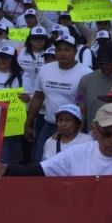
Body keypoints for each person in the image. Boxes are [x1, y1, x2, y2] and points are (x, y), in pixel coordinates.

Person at [0, 103, 112, 180]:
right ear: (95, 130)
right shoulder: (78, 153)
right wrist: (6, 168)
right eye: (107, 133)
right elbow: (39, 170)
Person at [24, 35, 92, 163]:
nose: (62, 53)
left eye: (67, 50)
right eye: (59, 50)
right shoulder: (45, 70)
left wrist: (77, 131)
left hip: (74, 129)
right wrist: (28, 123)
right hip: (49, 125)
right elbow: (38, 97)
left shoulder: (85, 73)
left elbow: (84, 105)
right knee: (40, 163)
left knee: (70, 165)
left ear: (75, 52)